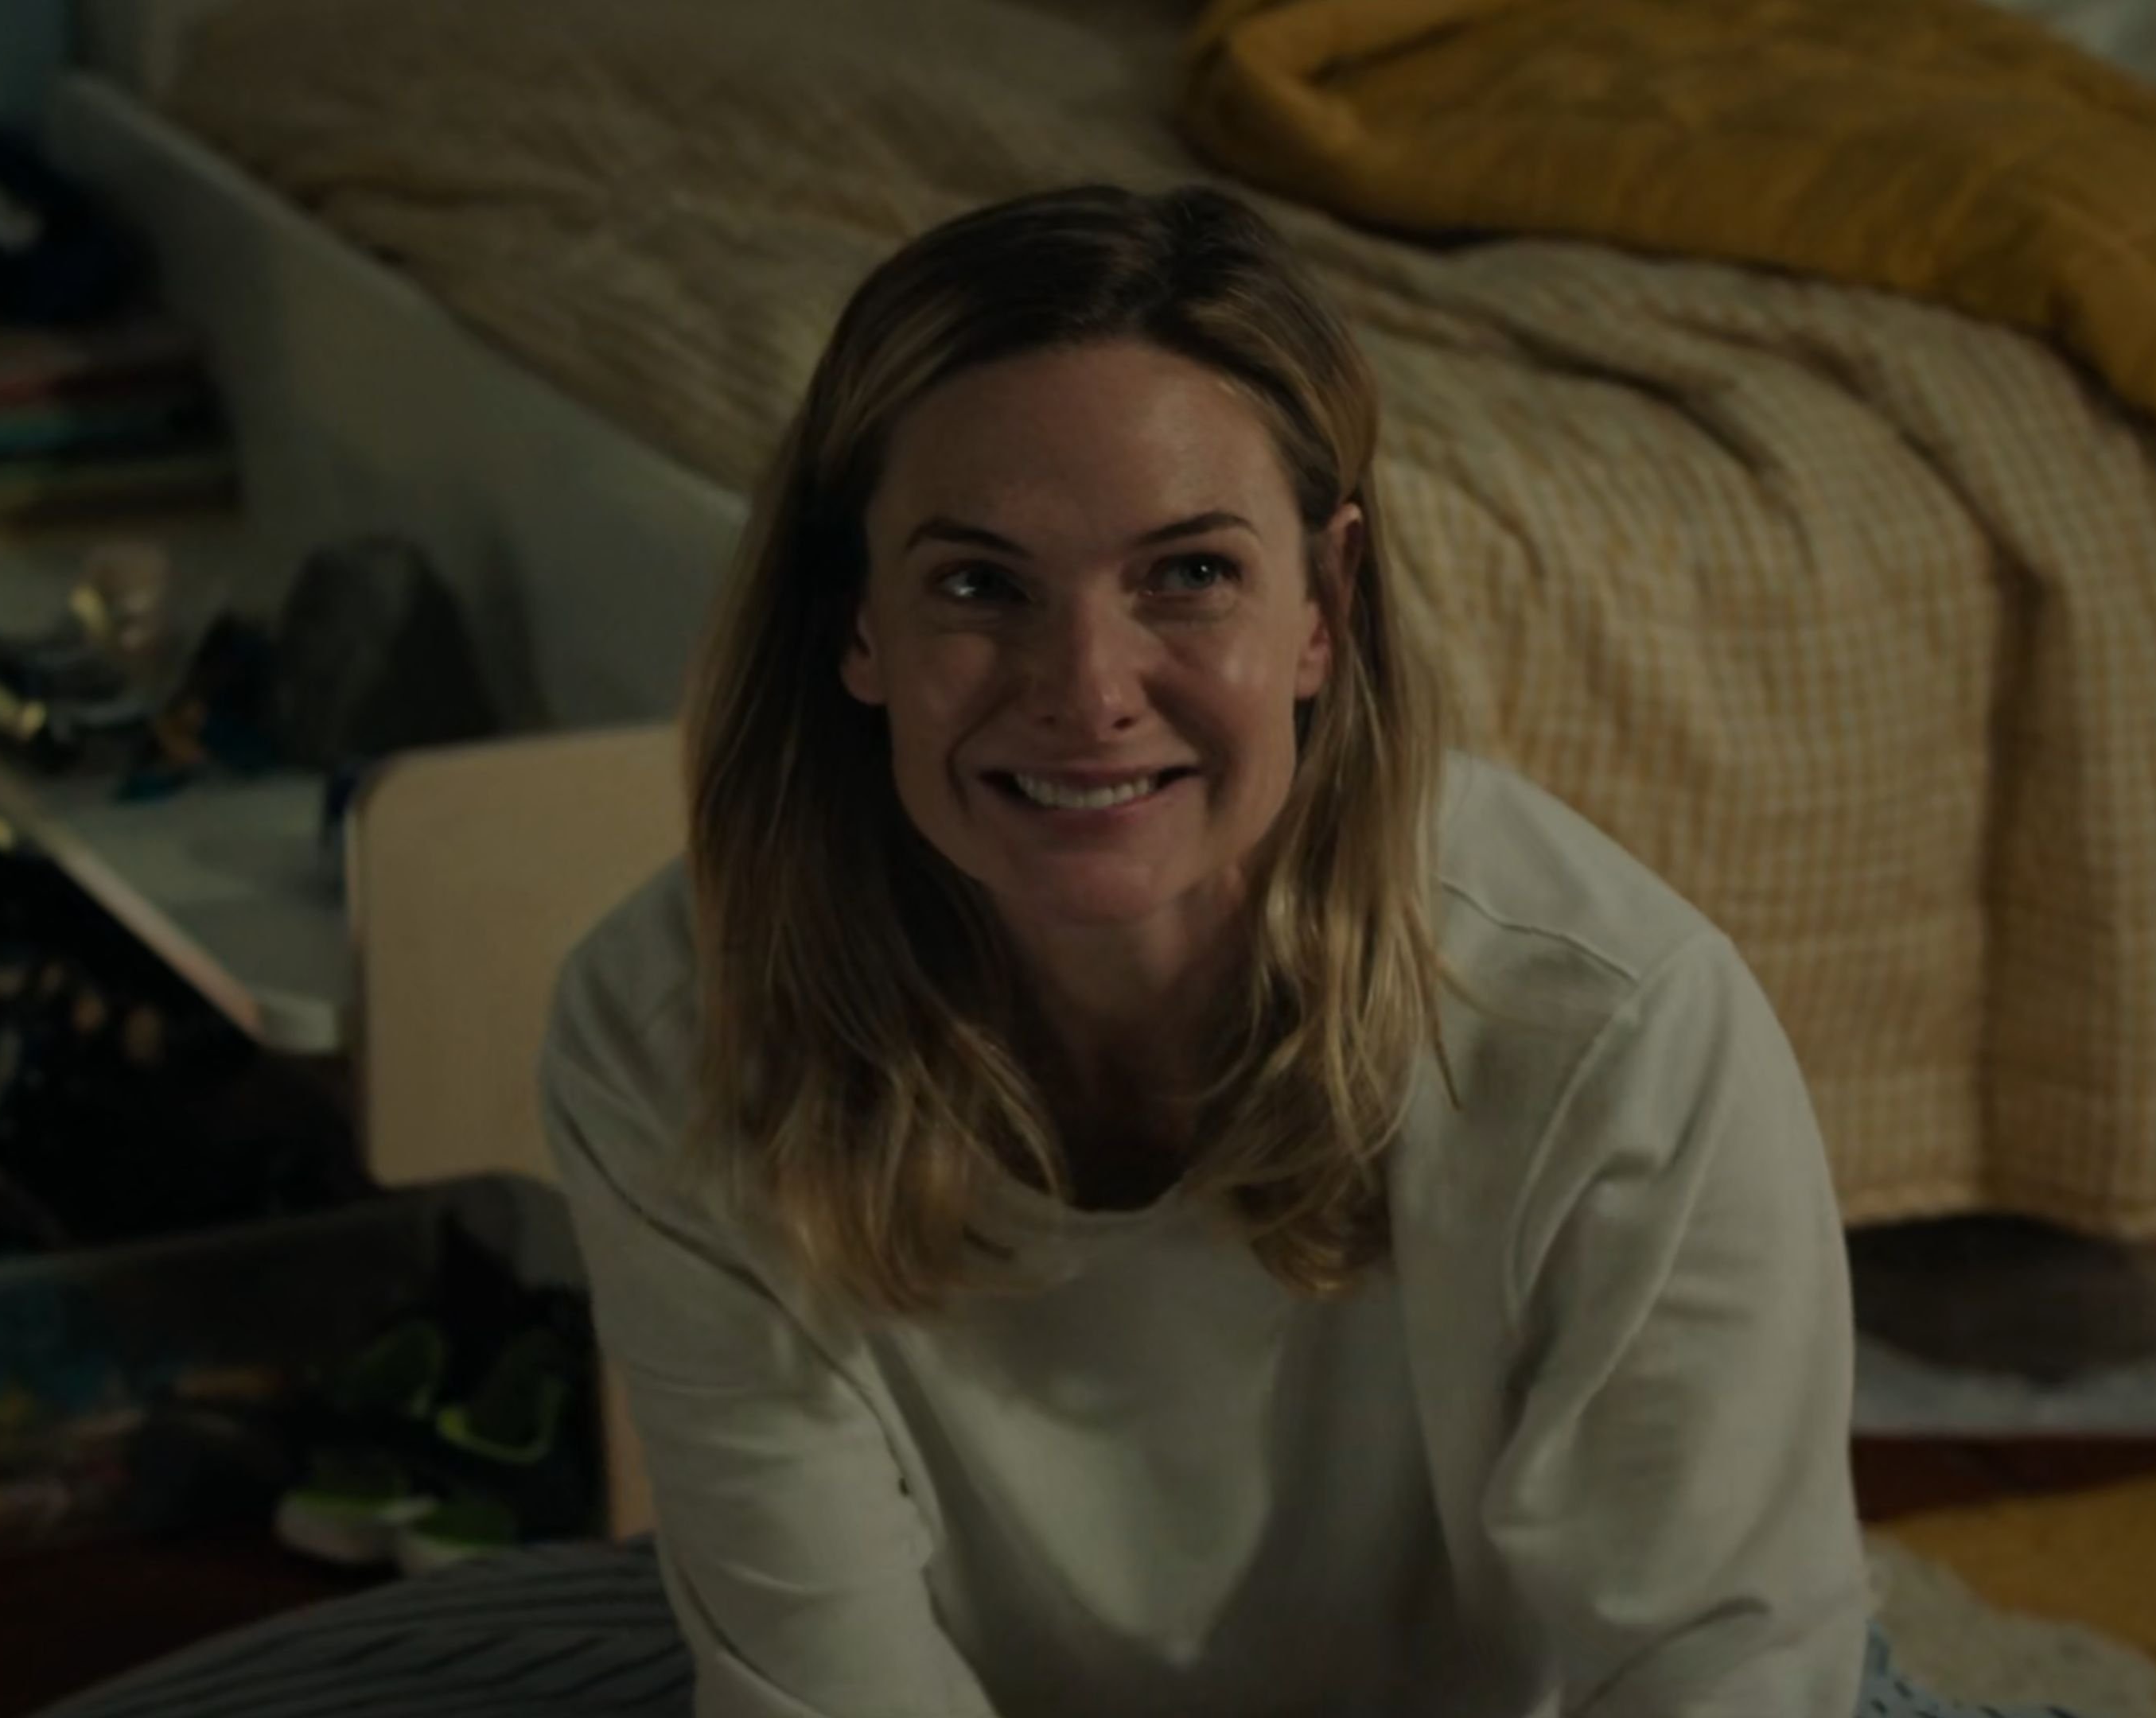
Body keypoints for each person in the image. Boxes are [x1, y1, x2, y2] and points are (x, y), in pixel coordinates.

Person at [543, 182, 1870, 1716]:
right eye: (978, 585)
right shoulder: (674, 1023)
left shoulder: (1618, 1027)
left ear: (1325, 607)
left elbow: (1714, 1675)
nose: (1087, 691)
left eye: (1189, 575)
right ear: (858, 625)